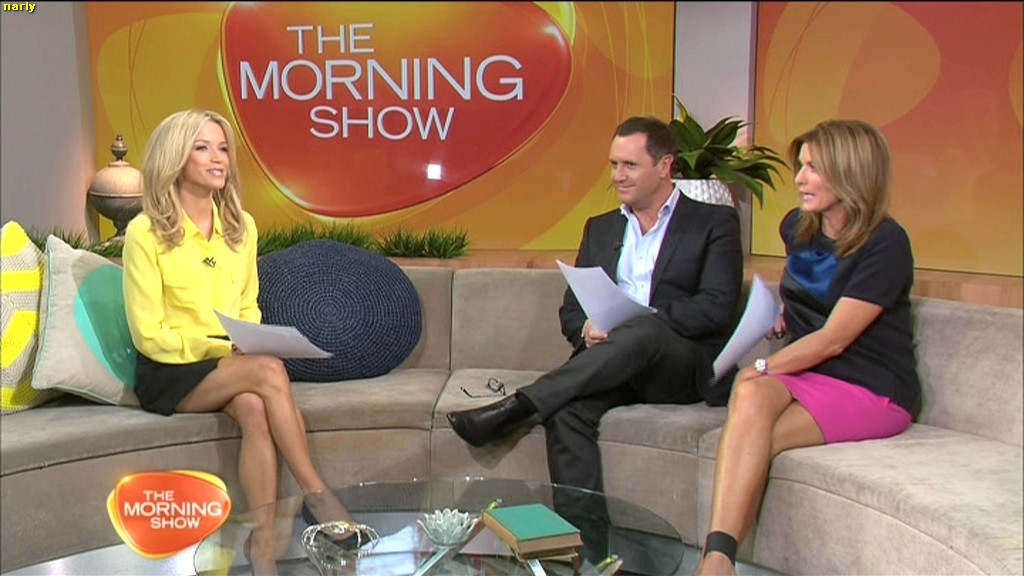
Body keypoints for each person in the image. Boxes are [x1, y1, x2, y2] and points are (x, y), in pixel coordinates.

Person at [446, 115, 744, 492]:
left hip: (679, 366)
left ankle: (520, 406)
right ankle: (582, 530)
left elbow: (717, 306)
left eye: (630, 165)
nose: (618, 176)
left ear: (665, 165)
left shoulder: (713, 222)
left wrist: (640, 320)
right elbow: (572, 309)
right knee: (566, 413)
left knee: (645, 330)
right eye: (614, 164)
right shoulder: (600, 228)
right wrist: (586, 329)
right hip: (613, 365)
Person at [122, 109, 352, 574]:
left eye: (223, 148)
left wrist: (249, 337)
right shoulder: (145, 232)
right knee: (268, 371)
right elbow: (149, 335)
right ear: (175, 158)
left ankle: (262, 546)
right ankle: (317, 494)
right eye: (203, 148)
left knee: (252, 406)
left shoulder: (241, 227)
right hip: (170, 370)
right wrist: (222, 348)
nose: (218, 158)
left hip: (228, 363)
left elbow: (247, 306)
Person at [695, 120, 921, 575]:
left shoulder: (886, 242)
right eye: (800, 166)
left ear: (851, 172)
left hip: (871, 384)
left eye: (813, 168)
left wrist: (765, 363)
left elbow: (835, 337)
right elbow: (810, 289)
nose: (799, 178)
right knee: (751, 398)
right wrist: (785, 311)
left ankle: (717, 563)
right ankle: (718, 559)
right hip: (813, 373)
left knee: (754, 431)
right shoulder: (797, 226)